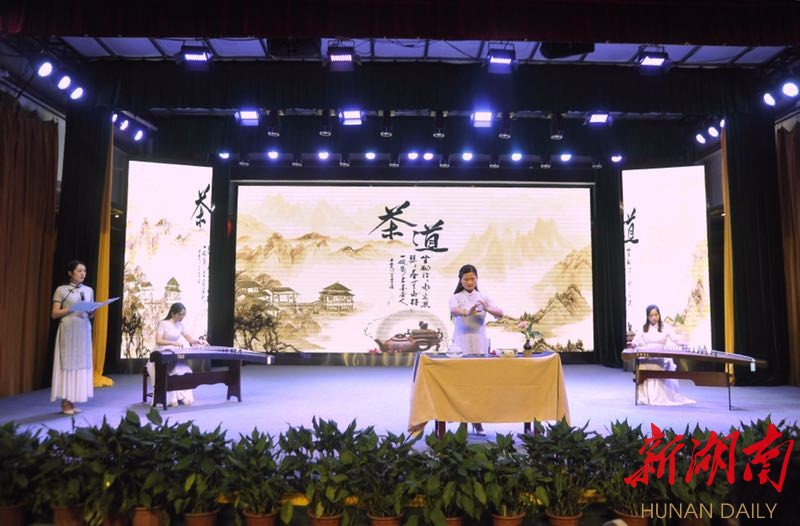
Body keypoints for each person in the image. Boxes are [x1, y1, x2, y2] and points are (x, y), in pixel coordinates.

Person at [448, 264, 504, 435]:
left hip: (480, 343)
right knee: (462, 384)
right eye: (466, 279)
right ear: (460, 280)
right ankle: (463, 421)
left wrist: (487, 309)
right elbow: (454, 310)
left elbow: (500, 313)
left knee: (478, 385)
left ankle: (477, 421)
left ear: (477, 279)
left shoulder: (483, 297)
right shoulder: (455, 297)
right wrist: (467, 311)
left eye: (472, 278)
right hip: (461, 344)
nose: (470, 282)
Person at [51, 259, 95, 415]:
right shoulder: (62, 290)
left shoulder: (89, 290)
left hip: (83, 329)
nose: (83, 273)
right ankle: (65, 401)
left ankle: (73, 399)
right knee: (68, 364)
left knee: (80, 364)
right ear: (70, 273)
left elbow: (90, 314)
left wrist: (92, 310)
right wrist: (72, 308)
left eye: (84, 270)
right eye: (79, 270)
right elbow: (54, 314)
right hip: (68, 329)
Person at [630, 304, 696, 406]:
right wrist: (637, 344)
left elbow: (676, 340)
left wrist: (685, 345)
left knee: (665, 363)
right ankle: (647, 397)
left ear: (659, 315)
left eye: (656, 315)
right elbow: (635, 341)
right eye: (651, 315)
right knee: (644, 363)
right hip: (648, 355)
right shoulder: (644, 328)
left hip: (662, 354)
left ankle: (662, 396)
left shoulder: (666, 327)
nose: (654, 317)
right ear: (647, 316)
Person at [146, 302, 209, 407]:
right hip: (160, 353)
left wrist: (199, 341)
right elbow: (158, 341)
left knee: (182, 370)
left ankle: (180, 397)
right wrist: (173, 343)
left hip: (174, 353)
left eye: (183, 314)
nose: (182, 317)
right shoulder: (163, 323)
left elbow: (190, 339)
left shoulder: (180, 325)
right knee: (166, 371)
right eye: (180, 314)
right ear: (172, 313)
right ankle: (172, 398)